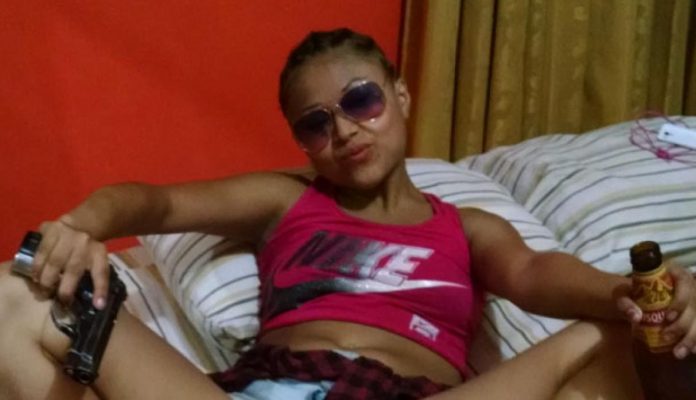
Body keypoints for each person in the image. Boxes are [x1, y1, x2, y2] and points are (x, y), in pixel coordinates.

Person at [0, 27, 695, 400]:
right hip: (265, 389)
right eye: (316, 122)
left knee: (613, 337)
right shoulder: (288, 200)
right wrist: (79, 226)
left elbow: (537, 275)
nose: (344, 130)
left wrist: (632, 294)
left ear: (400, 96)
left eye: (362, 100)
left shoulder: (464, 227)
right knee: (14, 298)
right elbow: (154, 202)